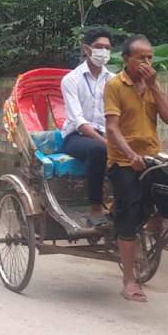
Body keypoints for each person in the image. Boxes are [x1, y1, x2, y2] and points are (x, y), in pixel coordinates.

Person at [104, 35, 168, 303]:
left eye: (150, 57)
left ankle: (156, 220)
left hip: (152, 157)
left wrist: (155, 87)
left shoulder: (152, 84)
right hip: (124, 160)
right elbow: (112, 128)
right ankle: (129, 280)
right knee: (128, 214)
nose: (147, 62)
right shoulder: (115, 85)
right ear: (127, 60)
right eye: (142, 58)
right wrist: (130, 153)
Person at [61, 27, 115, 226]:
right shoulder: (71, 80)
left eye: (107, 48)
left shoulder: (113, 80)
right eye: (98, 47)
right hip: (76, 137)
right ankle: (95, 208)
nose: (103, 51)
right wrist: (107, 142)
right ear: (86, 49)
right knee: (100, 149)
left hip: (106, 133)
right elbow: (78, 121)